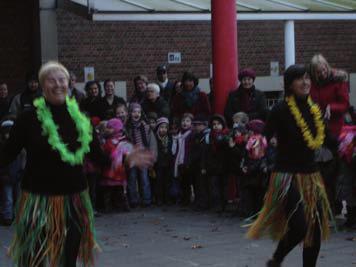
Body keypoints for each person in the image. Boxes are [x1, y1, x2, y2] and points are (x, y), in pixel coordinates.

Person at [0, 61, 154, 267]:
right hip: (37, 200)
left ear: (69, 84)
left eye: (62, 79)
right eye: (51, 80)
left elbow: (98, 157)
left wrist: (126, 158)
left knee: (68, 258)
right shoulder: (28, 118)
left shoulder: (80, 119)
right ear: (42, 85)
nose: (57, 84)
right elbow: (8, 153)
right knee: (33, 259)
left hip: (73, 200)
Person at [247, 64, 332, 267]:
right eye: (300, 79)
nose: (305, 82)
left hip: (311, 177)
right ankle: (277, 259)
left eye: (308, 78)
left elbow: (328, 139)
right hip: (286, 176)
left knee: (315, 229)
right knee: (300, 226)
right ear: (289, 84)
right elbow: (265, 136)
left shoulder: (314, 108)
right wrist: (258, 144)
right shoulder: (280, 109)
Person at [309, 54, 349, 138]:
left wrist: (331, 107)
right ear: (314, 73)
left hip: (334, 127)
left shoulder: (338, 80)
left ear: (327, 66)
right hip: (316, 127)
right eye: (318, 72)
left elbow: (345, 104)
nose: (323, 74)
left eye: (324, 70)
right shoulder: (311, 83)